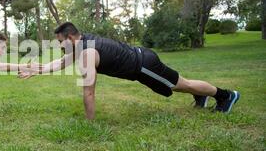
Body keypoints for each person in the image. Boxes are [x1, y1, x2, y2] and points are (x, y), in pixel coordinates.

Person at [19, 22, 240, 120]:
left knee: (182, 84)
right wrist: (38, 69)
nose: (59, 46)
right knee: (181, 83)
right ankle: (202, 96)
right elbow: (61, 62)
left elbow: (88, 93)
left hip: (144, 66)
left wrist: (89, 123)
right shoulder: (83, 42)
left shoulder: (86, 53)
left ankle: (225, 95)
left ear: (69, 38)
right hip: (143, 58)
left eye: (60, 42)